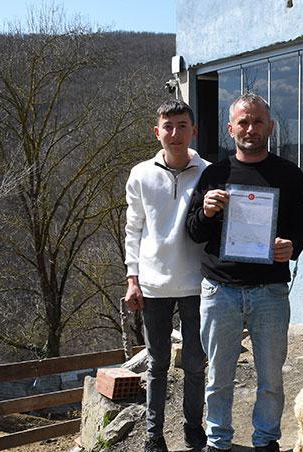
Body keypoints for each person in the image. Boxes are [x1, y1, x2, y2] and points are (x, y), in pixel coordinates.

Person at [186, 93, 303, 452]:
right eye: (243, 122)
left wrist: (292, 246)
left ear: (270, 127)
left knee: (271, 378)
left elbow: (301, 226)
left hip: (269, 290)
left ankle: (266, 440)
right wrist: (206, 212)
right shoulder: (215, 174)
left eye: (258, 121)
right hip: (220, 290)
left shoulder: (289, 174)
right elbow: (193, 232)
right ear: (231, 129)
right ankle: (218, 441)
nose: (250, 128)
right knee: (218, 377)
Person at [124, 99, 209, 452]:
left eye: (182, 126)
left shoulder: (209, 172)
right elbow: (133, 229)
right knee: (157, 364)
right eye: (168, 127)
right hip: (153, 284)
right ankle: (153, 435)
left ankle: (194, 429)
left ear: (194, 131)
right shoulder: (141, 175)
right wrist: (132, 278)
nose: (175, 134)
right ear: (156, 132)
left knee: (195, 364)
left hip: (197, 283)